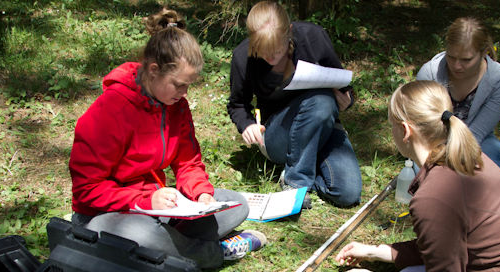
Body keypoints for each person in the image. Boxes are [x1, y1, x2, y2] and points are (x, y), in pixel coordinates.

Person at [68, 8, 265, 269]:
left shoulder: (176, 106)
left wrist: (202, 195)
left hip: (158, 206)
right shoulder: (110, 111)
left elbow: (188, 163)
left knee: (237, 205)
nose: (184, 93)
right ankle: (212, 253)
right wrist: (143, 201)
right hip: (109, 214)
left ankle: (168, 249)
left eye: (189, 85)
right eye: (179, 84)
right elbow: (87, 190)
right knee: (142, 235)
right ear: (153, 70)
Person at [334, 81, 500, 271]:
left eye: (391, 125)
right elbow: (445, 242)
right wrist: (379, 251)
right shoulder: (468, 157)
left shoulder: (432, 198)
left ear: (405, 131)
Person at [227, 1, 362, 207]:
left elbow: (341, 82)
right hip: (277, 134)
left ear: (289, 32)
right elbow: (237, 104)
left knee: (347, 193)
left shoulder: (312, 37)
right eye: (263, 49)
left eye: (277, 48)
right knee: (321, 100)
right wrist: (247, 125)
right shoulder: (242, 56)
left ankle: (303, 161)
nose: (271, 55)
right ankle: (295, 184)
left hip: (323, 124)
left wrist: (347, 99)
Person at [416, 17, 500, 196]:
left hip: (477, 143)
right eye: (451, 57)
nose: (457, 66)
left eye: (466, 60)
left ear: (484, 53)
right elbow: (422, 127)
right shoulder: (429, 73)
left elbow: (476, 135)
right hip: (434, 143)